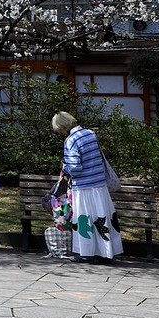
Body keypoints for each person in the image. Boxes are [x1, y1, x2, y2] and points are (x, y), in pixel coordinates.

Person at [51, 111, 123, 264]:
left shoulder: (71, 140)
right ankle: (105, 252)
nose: (61, 133)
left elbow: (75, 167)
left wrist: (64, 167)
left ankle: (86, 253)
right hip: (99, 185)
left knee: (85, 221)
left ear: (62, 127)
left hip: (83, 187)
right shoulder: (90, 134)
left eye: (59, 130)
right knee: (102, 218)